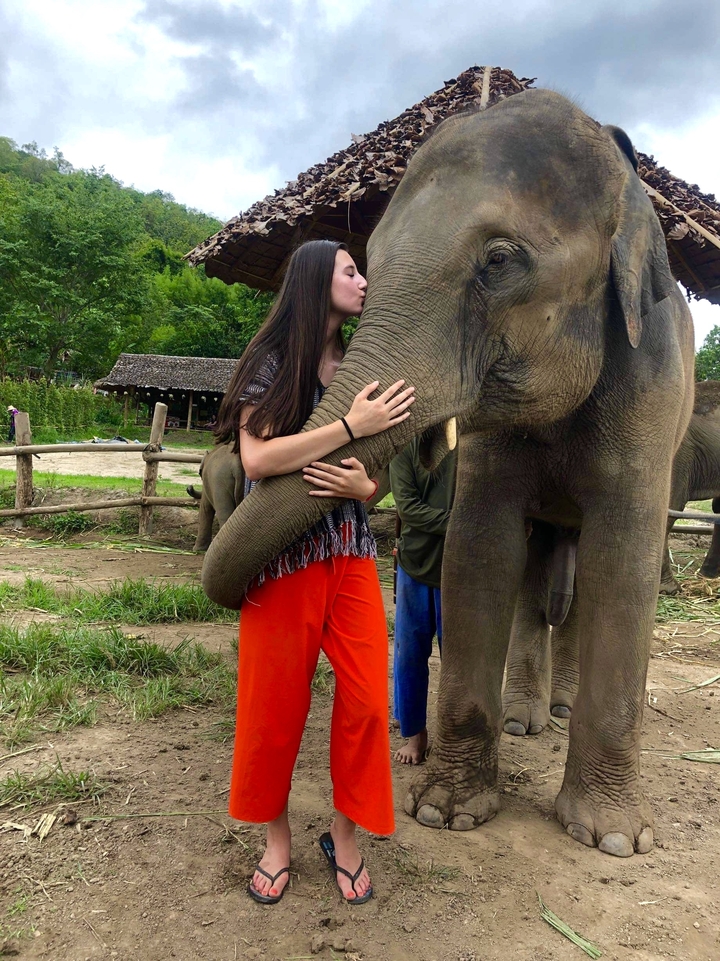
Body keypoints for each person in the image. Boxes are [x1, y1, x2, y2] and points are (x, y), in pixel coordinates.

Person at [214, 239, 415, 906]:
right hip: (281, 559)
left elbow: (374, 473)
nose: (362, 281)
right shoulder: (273, 361)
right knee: (273, 708)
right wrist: (347, 424)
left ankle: (344, 834)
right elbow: (258, 459)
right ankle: (276, 841)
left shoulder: (363, 364)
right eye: (351, 270)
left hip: (350, 555)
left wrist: (367, 484)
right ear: (314, 281)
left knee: (366, 699)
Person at [389, 438, 457, 764]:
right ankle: (415, 735)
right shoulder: (406, 448)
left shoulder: (470, 444)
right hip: (414, 566)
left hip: (459, 573)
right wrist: (461, 523)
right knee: (409, 654)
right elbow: (407, 507)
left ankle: (454, 734)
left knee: (457, 660)